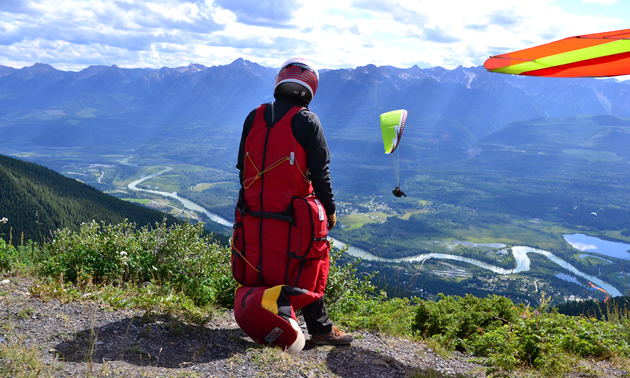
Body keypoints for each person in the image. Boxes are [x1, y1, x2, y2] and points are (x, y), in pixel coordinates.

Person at [235, 58, 353, 346]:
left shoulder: (254, 116)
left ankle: (265, 315)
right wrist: (330, 210)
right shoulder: (306, 120)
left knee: (261, 264)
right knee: (309, 262)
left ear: (279, 83)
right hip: (293, 215)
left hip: (254, 214)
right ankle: (321, 329)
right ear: (310, 89)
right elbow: (321, 172)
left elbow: (242, 167)